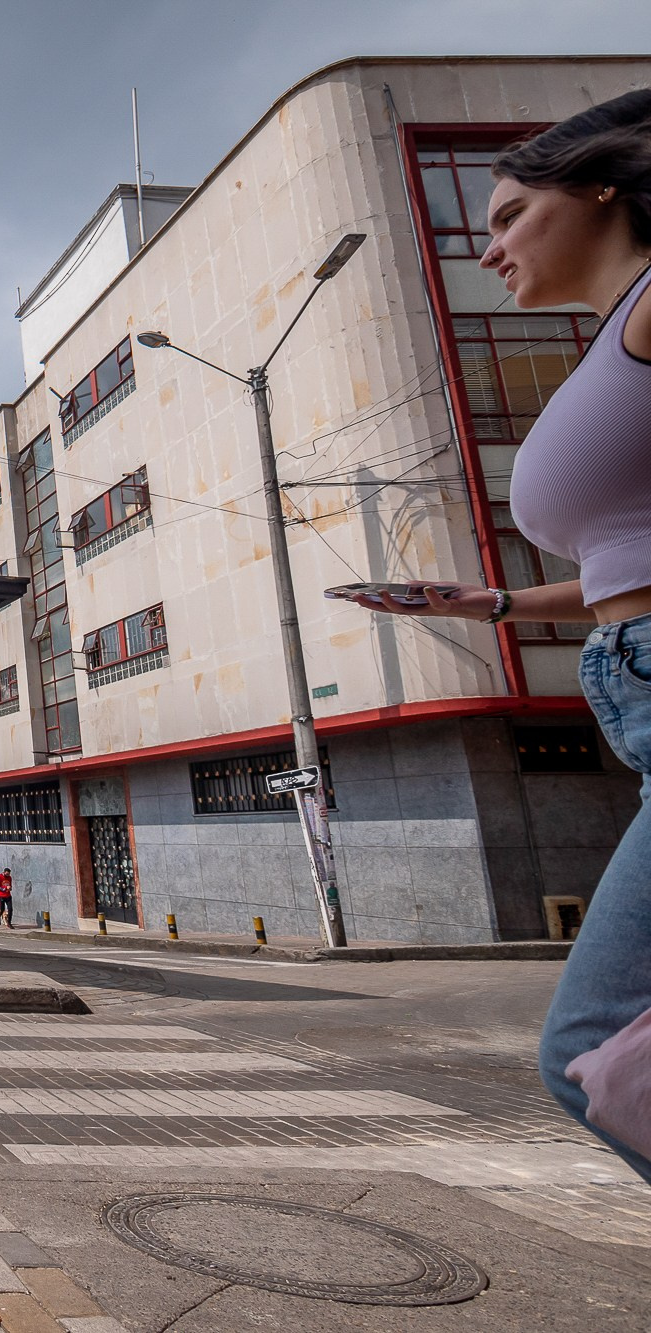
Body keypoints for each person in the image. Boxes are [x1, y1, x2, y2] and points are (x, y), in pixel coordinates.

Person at [349, 91, 651, 1182]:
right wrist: (491, 605)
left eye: (510, 214)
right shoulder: (610, 337)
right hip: (630, 683)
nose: (487, 249)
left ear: (603, 186)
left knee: (593, 1048)